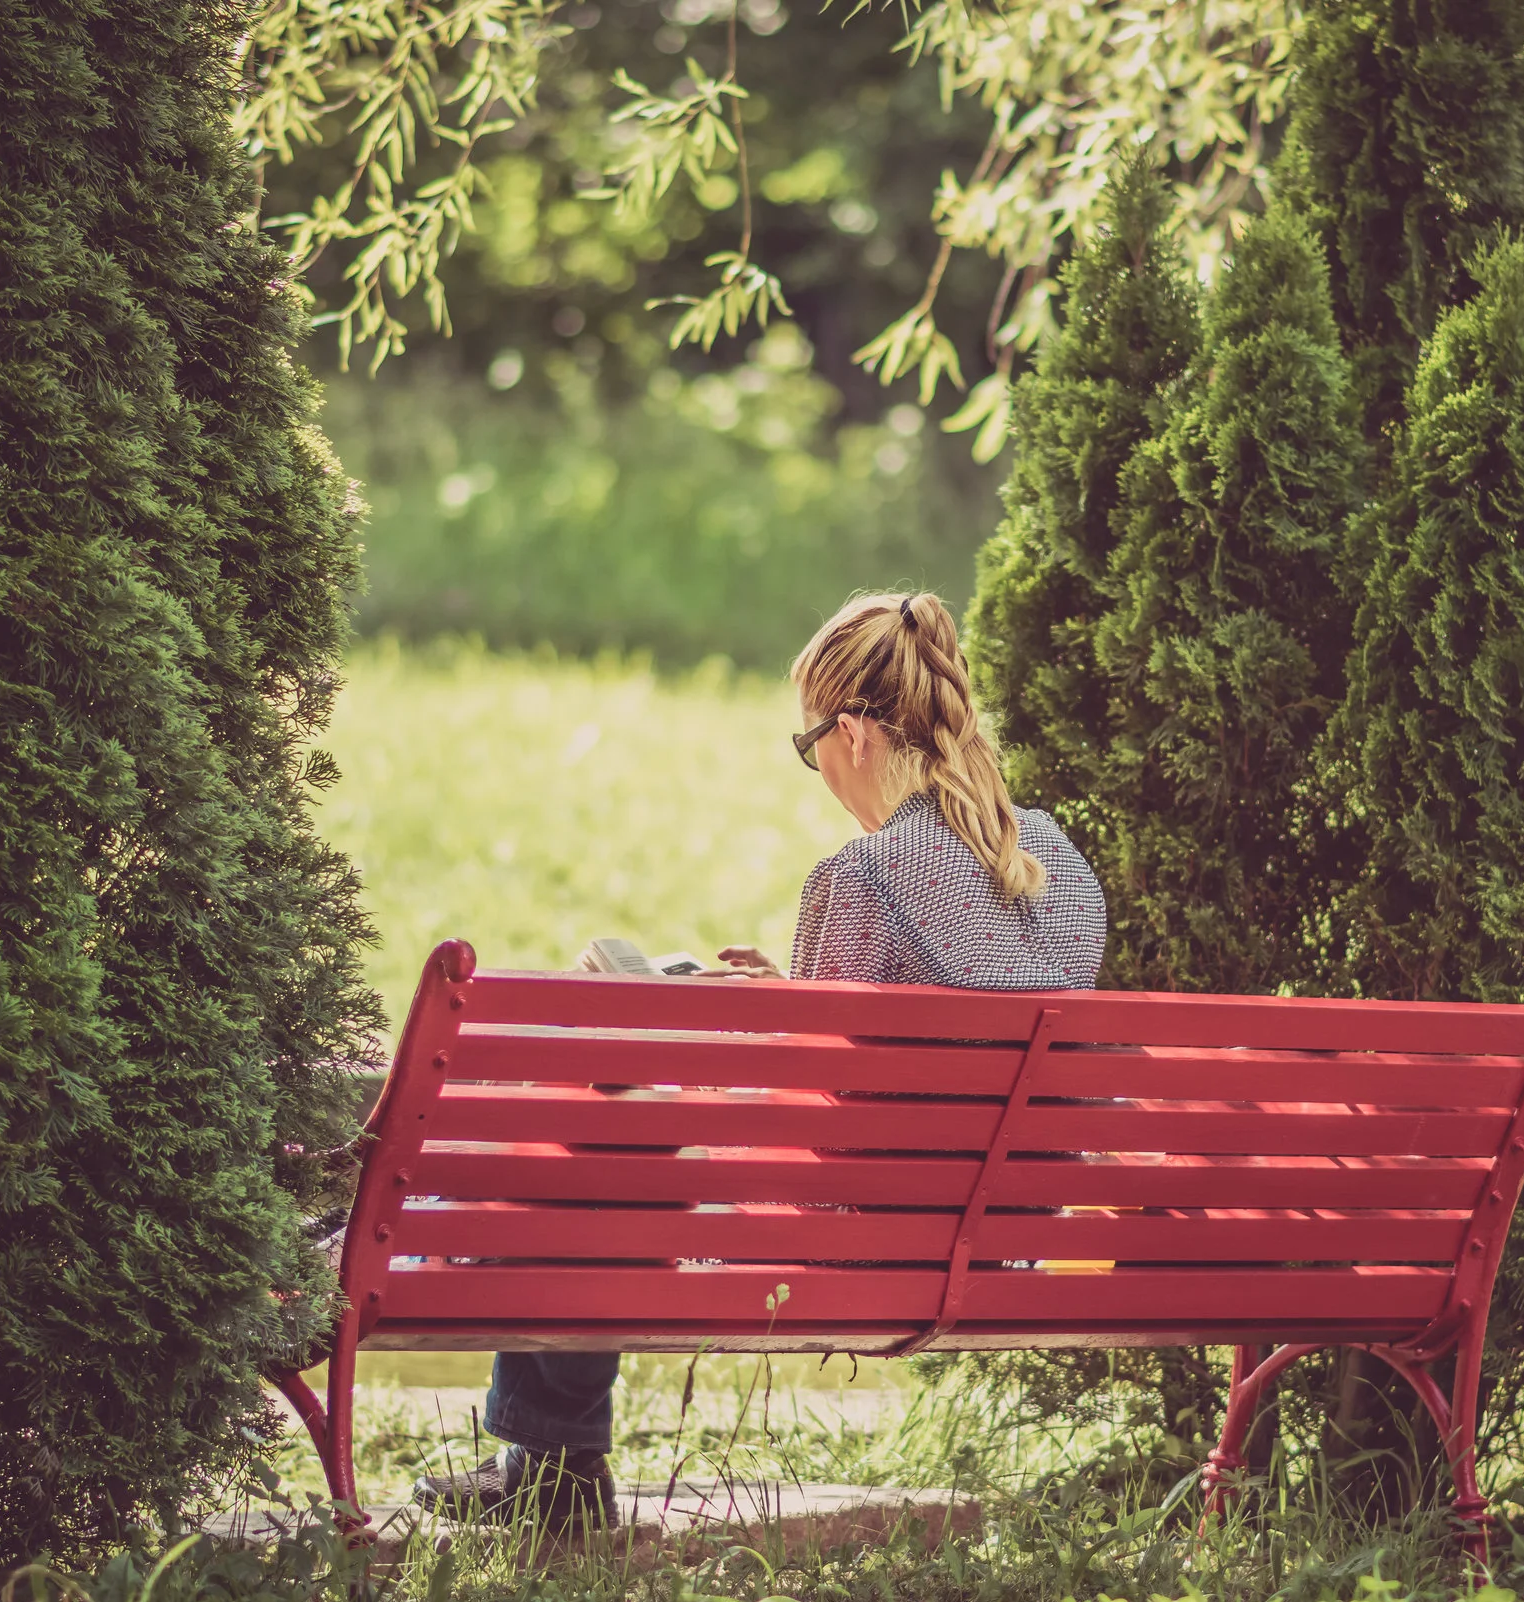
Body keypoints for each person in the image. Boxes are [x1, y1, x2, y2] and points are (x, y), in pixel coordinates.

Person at [413, 591, 1106, 1527]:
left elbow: (812, 1112)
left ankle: (550, 1469)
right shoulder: (1056, 862)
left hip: (852, 1244)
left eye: (808, 739)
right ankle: (545, 1466)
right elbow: (924, 1046)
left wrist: (716, 1035)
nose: (815, 763)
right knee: (610, 1122)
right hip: (998, 1232)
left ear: (854, 732)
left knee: (602, 1130)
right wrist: (789, 996)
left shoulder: (862, 876)